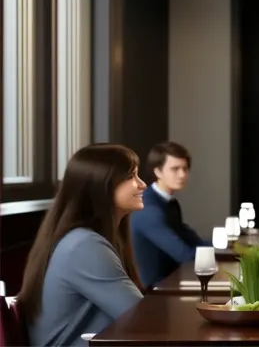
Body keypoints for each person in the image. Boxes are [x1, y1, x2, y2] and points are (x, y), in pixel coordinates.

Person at [16, 144, 145, 346]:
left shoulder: (91, 239)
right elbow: (142, 316)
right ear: (99, 185)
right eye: (130, 177)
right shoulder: (85, 245)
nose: (142, 184)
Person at [130, 141, 207, 289]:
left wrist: (233, 248)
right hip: (149, 292)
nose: (182, 175)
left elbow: (193, 241)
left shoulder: (170, 203)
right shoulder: (149, 209)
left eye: (185, 169)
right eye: (175, 169)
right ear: (157, 171)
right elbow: (185, 255)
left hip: (168, 282)